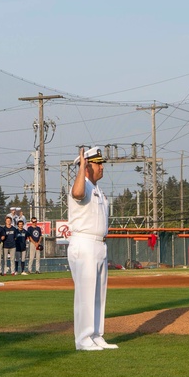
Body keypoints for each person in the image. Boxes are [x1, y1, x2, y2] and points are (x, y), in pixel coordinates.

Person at [67, 146, 116, 351]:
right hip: (84, 243)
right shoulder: (83, 185)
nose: (102, 166)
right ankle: (83, 339)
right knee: (85, 294)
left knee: (98, 295)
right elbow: (77, 193)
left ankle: (96, 335)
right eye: (98, 163)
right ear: (87, 165)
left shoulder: (97, 189)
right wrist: (81, 167)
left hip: (98, 244)